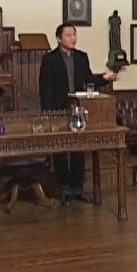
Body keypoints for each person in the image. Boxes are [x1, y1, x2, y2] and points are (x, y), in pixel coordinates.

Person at [39, 23, 117, 206]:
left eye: (74, 35)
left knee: (79, 150)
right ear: (59, 38)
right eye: (68, 35)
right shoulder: (49, 59)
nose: (73, 38)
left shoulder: (82, 57)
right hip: (58, 110)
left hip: (78, 110)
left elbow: (88, 80)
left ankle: (77, 188)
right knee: (60, 151)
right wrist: (47, 113)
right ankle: (64, 189)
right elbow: (45, 88)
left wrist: (104, 78)